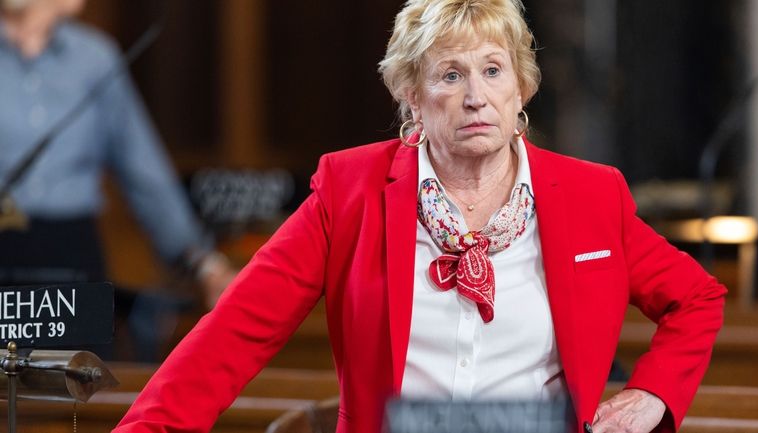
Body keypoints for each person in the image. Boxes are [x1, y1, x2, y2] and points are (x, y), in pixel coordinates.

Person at [113, 1, 725, 432]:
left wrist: (651, 395)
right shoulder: (348, 191)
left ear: (522, 88)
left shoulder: (592, 195)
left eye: (492, 70)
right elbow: (232, 337)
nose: (476, 97)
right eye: (450, 75)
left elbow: (696, 299)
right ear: (410, 93)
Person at [0, 0, 233, 308]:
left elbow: (143, 168)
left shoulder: (94, 58)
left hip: (72, 249)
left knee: (83, 355)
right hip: (4, 243)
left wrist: (202, 262)